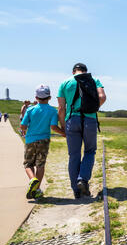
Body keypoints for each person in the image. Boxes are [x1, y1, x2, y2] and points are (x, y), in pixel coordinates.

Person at [57, 63, 106, 199]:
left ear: (73, 71)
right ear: (85, 71)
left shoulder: (65, 83)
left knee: (74, 155)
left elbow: (61, 108)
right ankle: (82, 179)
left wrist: (63, 126)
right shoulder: (94, 80)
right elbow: (102, 97)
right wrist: (92, 108)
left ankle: (76, 190)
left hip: (72, 120)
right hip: (89, 120)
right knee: (90, 151)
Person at [20, 85, 65, 199]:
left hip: (30, 139)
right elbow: (54, 127)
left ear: (36, 97)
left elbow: (23, 125)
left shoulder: (30, 109)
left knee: (28, 164)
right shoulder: (52, 111)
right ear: (49, 97)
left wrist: (24, 130)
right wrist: (64, 133)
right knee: (40, 165)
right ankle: (37, 189)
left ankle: (32, 179)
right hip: (44, 140)